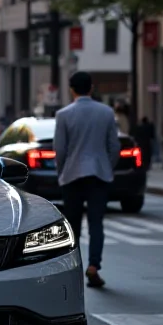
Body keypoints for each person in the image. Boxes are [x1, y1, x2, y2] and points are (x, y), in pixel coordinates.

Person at [54, 71, 121, 288]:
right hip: (99, 174)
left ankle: (73, 267)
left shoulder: (63, 114)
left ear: (71, 89)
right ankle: (94, 266)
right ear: (91, 88)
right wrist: (107, 167)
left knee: (72, 225)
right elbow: (114, 147)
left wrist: (62, 171)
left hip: (72, 174)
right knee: (96, 223)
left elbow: (60, 149)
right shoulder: (106, 112)